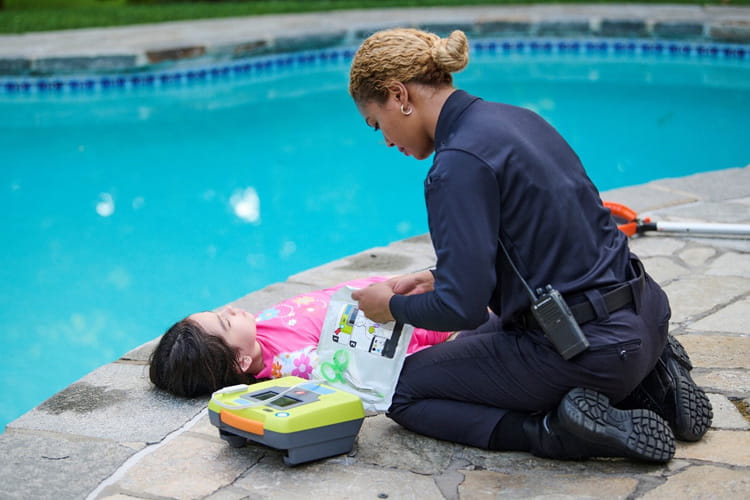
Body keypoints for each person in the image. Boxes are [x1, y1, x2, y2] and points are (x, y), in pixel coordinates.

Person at [348, 28, 712, 463]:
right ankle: (657, 381)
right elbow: (546, 239)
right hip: (646, 315)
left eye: (377, 123)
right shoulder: (518, 119)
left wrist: (389, 306)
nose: (386, 139)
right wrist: (434, 278)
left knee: (403, 390)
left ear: (397, 94)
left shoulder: (456, 165)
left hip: (593, 351)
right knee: (475, 338)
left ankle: (555, 430)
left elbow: (461, 306)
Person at [149, 276, 452, 398]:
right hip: (416, 319)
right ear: (241, 360)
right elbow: (359, 363)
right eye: (224, 322)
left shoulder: (256, 332)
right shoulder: (292, 365)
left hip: (388, 294)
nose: (230, 309)